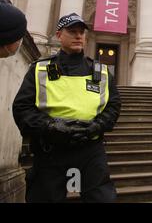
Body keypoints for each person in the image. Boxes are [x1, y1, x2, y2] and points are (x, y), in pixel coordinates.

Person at [13, 13, 121, 203]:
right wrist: (50, 127)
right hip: (51, 150)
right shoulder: (40, 69)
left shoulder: (101, 71)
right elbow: (22, 108)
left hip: (90, 148)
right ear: (59, 35)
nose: (78, 36)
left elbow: (113, 106)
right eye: (72, 32)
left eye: (81, 32)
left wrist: (98, 126)